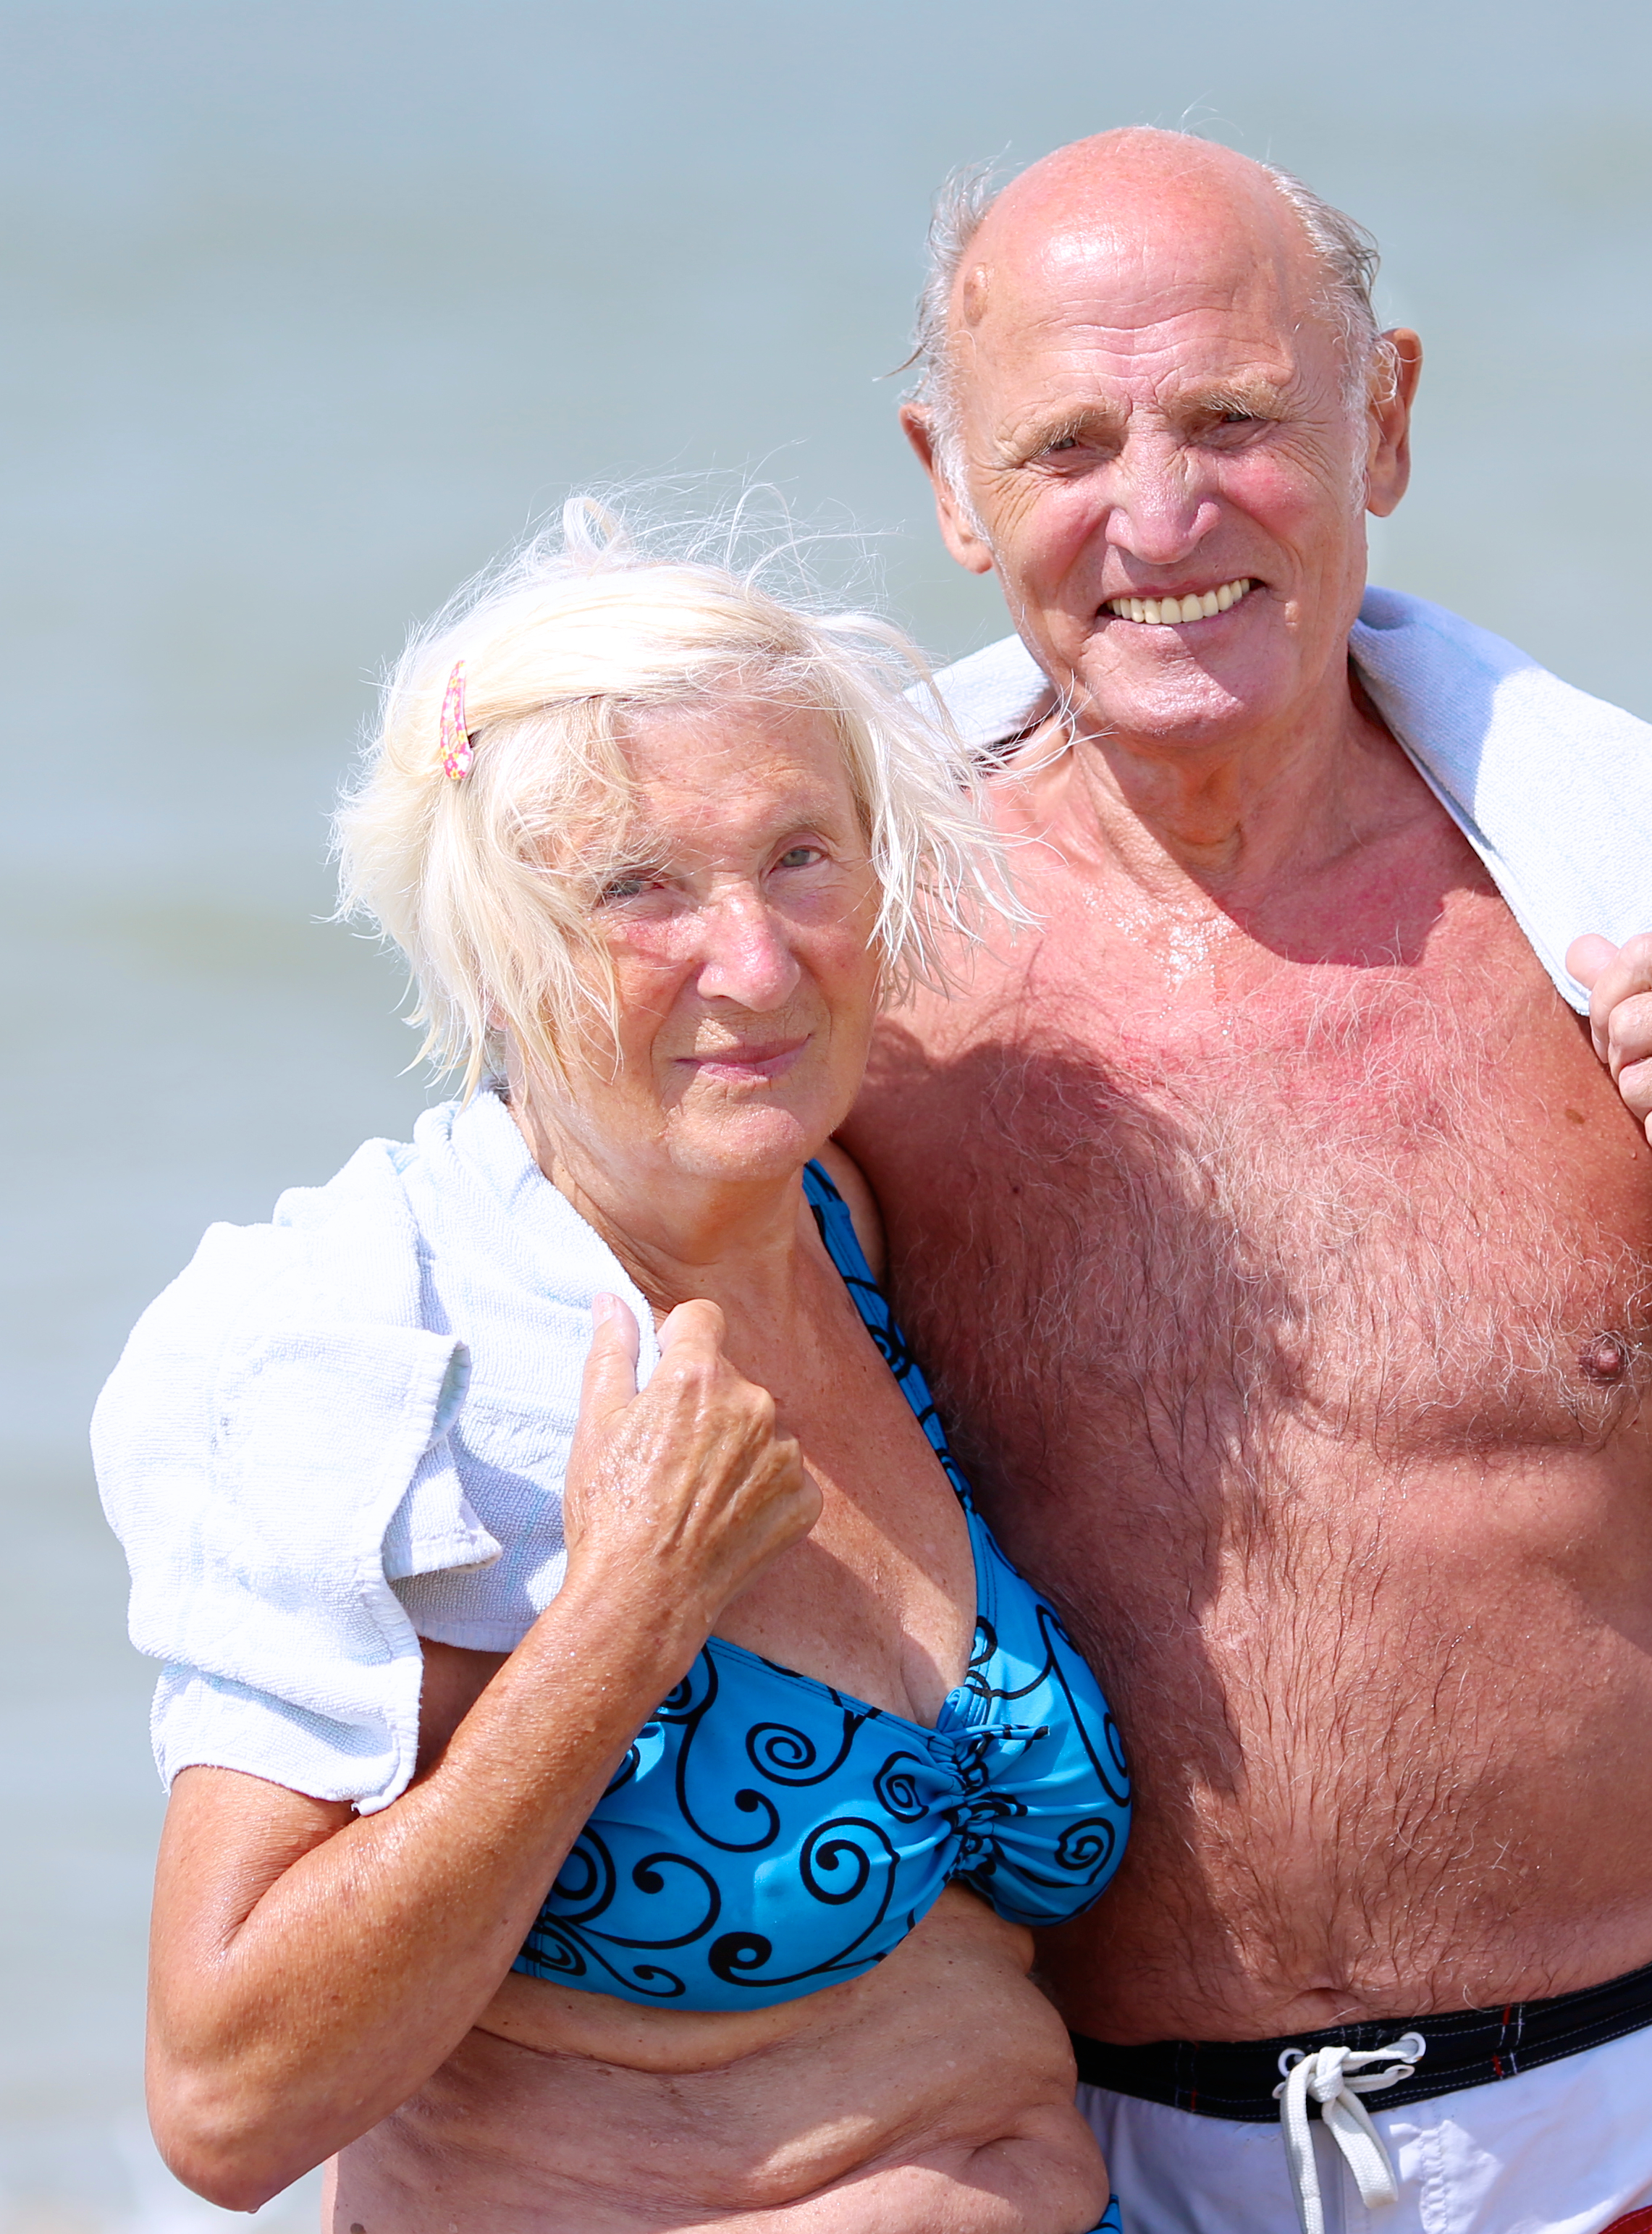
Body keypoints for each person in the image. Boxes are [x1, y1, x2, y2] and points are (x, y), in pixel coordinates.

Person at [843, 131, 1652, 2234]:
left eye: (1232, 418)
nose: (1156, 514)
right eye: (1066, 446)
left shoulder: (1646, 893)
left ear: (1379, 415)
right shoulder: (849, 977)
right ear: (950, 482)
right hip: (1105, 2166)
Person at [91, 502, 1133, 2233]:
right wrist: (621, 1624)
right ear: (494, 949)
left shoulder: (846, 1219)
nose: (752, 958)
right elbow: (226, 2102)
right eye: (638, 888)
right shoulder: (376, 1349)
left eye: (802, 855)